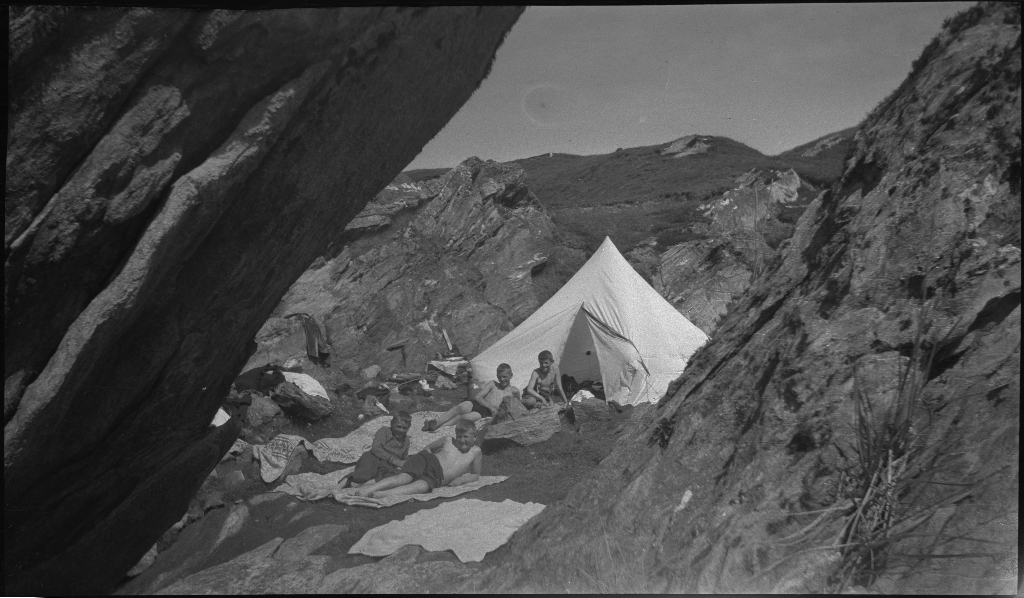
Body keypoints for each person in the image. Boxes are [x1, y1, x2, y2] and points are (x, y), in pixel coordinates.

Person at [351, 419, 481, 497]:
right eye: (459, 436)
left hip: (437, 478)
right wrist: (421, 462)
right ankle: (368, 489)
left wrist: (461, 480)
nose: (461, 440)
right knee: (405, 478)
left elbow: (475, 475)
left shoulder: (476, 452)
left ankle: (383, 494)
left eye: (466, 437)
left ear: (475, 437)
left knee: (421, 487)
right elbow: (428, 448)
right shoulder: (448, 440)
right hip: (426, 460)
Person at [421, 364, 521, 432]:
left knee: (461, 418)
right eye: (499, 376)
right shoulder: (493, 384)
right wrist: (491, 407)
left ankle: (439, 428)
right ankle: (436, 423)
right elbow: (478, 397)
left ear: (511, 375)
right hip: (478, 403)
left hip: (486, 413)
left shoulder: (514, 391)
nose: (502, 379)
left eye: (504, 377)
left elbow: (516, 408)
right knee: (458, 408)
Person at [346, 411, 412, 486]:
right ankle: (346, 482)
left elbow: (404, 457)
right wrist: (394, 460)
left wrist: (403, 464)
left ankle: (363, 484)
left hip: (388, 466)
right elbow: (376, 448)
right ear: (392, 424)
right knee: (364, 472)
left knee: (396, 476)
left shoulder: (406, 440)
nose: (401, 430)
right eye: (398, 426)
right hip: (374, 457)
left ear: (408, 428)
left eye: (404, 428)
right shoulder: (385, 431)